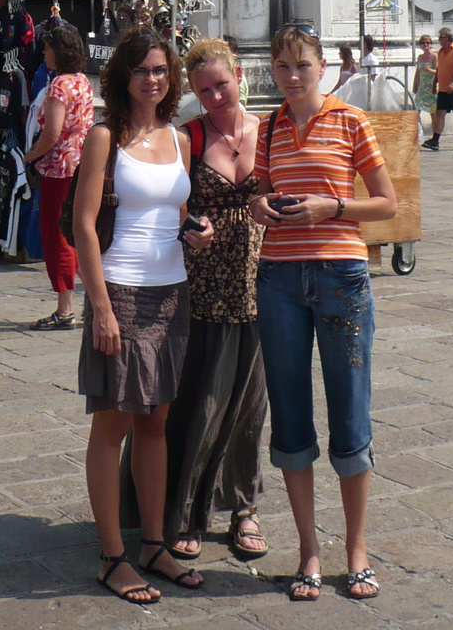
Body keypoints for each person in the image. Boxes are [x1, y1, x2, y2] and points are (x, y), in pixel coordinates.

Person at [249, 23, 398, 602]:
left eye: (302, 66)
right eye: (283, 67)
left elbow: (387, 202)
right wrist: (261, 205)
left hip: (341, 275)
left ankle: (357, 549)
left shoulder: (350, 120)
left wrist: (330, 207)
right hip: (280, 277)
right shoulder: (270, 128)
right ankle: (309, 548)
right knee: (288, 412)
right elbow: (261, 190)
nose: (292, 76)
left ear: (322, 67)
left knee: (350, 407)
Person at [74, 30, 214, 605]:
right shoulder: (106, 136)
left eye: (160, 70)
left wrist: (196, 234)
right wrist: (101, 307)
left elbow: (176, 214)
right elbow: (84, 225)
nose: (151, 80)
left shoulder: (180, 138)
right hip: (121, 292)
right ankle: (112, 556)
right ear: (122, 77)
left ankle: (154, 543)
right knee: (115, 423)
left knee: (155, 422)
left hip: (172, 293)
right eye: (140, 70)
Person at [152, 38, 268, 563]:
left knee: (252, 404)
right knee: (201, 399)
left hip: (264, 283)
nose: (216, 96)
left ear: (239, 76)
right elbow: (166, 210)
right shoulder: (188, 137)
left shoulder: (270, 131)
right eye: (204, 90)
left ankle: (245, 508)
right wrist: (187, 229)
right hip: (203, 285)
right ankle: (187, 510)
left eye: (222, 83)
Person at [25, 22, 93, 330]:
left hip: (58, 168)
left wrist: (31, 154)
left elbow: (51, 133)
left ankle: (65, 308)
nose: (44, 52)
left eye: (48, 47)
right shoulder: (82, 82)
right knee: (77, 232)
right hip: (82, 163)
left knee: (57, 236)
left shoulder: (59, 86)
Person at [422, 26, 453, 152]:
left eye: (440, 38)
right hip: (443, 89)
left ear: (447, 38)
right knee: (440, 113)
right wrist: (434, 83)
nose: (439, 40)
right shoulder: (441, 53)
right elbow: (439, 70)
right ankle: (435, 140)